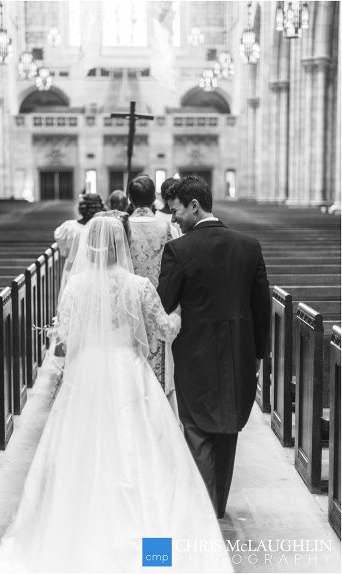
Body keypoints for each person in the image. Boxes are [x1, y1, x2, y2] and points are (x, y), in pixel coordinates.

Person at [0, 216, 231, 572]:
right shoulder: (139, 286)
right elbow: (164, 331)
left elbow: (65, 339)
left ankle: (73, 548)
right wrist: (179, 313)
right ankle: (155, 557)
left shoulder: (75, 287)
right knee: (143, 457)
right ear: (124, 244)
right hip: (129, 373)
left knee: (80, 454)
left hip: (86, 374)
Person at [158, 176, 270, 519]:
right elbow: (261, 307)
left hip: (194, 354)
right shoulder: (248, 245)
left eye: (176, 211)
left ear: (195, 205)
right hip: (238, 355)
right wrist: (256, 357)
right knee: (227, 430)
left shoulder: (179, 249)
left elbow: (164, 301)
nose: (173, 218)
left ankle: (204, 510)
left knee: (196, 429)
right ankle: (216, 504)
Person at [126, 175, 181, 403]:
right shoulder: (166, 228)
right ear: (154, 199)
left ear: (130, 198)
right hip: (159, 302)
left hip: (128, 303)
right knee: (160, 357)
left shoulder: (121, 227)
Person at [53, 193, 105, 298]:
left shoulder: (69, 227)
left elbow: (63, 248)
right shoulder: (103, 227)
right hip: (96, 274)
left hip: (72, 271)